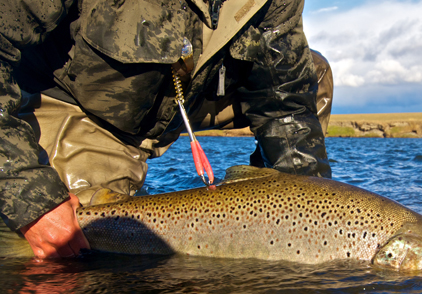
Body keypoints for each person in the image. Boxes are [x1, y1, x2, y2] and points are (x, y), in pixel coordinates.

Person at [0, 0, 334, 259]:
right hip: (79, 99)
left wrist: (315, 220)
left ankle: (259, 218)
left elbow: (285, 103)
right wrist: (29, 193)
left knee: (311, 73)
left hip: (185, 97)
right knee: (81, 244)